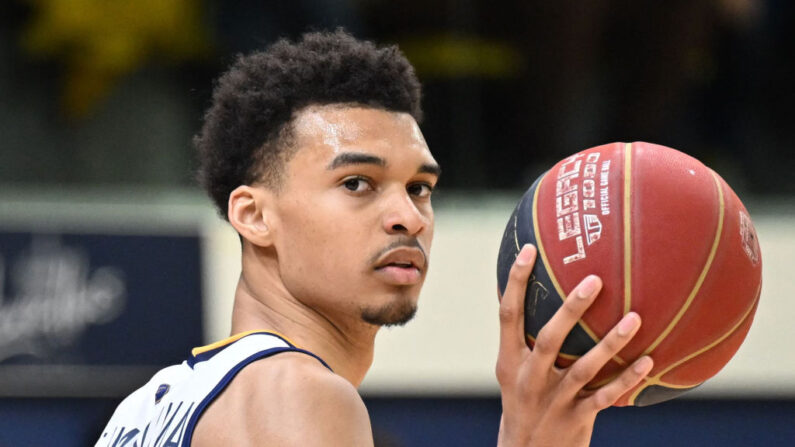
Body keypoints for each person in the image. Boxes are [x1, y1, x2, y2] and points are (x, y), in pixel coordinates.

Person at [95, 29, 653, 447]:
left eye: (419, 188)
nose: (407, 217)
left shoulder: (141, 411)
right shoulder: (299, 393)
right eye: (357, 182)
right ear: (254, 216)